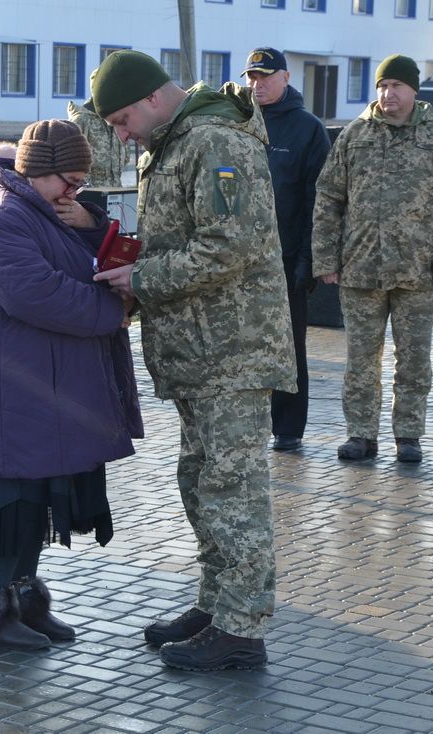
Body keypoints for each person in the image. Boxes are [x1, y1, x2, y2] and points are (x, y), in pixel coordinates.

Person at [91, 50, 296, 671]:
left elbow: (230, 245)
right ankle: (215, 604)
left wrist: (142, 278)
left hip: (234, 350)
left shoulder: (214, 142)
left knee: (234, 490)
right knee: (201, 483)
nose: (121, 135)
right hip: (199, 351)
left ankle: (241, 628)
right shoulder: (173, 142)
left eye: (122, 120)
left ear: (153, 97)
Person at [0, 119, 142, 650]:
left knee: (38, 497)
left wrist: (91, 224)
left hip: (39, 383)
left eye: (82, 183)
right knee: (13, 502)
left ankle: (23, 602)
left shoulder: (38, 208)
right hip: (9, 387)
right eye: (70, 181)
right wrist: (114, 308)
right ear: (38, 171)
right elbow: (39, 294)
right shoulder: (1, 216)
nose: (74, 191)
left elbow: (78, 262)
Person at [313, 54, 433, 464]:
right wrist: (326, 259)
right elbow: (329, 198)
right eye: (383, 86)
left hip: (418, 272)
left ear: (413, 90)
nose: (388, 94)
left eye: (396, 85)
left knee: (413, 359)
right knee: (361, 360)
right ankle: (361, 434)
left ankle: (408, 435)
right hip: (360, 269)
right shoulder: (355, 134)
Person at [242, 47, 330, 452]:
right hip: (239, 258)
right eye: (251, 77)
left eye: (265, 76)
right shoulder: (239, 121)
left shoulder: (307, 129)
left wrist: (309, 260)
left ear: (285, 78)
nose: (257, 84)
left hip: (286, 258)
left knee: (288, 346)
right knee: (243, 345)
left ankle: (289, 427)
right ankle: (248, 421)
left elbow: (318, 200)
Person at [67, 96, 130, 187]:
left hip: (114, 192)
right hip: (88, 193)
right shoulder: (81, 120)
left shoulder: (116, 121)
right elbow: (69, 164)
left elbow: (124, 159)